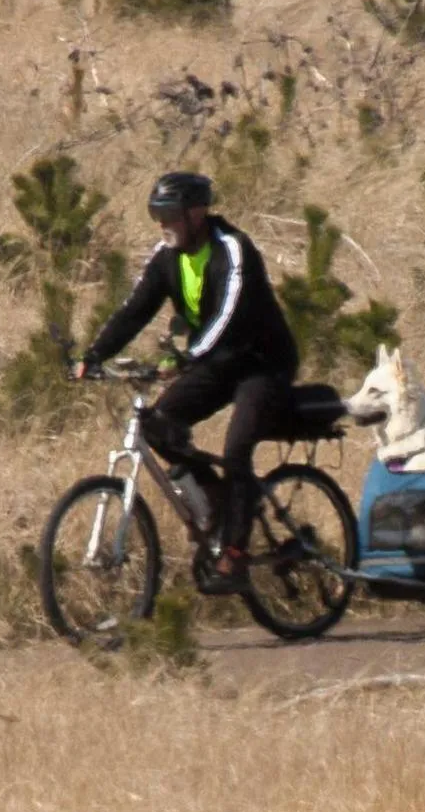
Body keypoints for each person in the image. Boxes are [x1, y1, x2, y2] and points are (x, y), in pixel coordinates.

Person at [72, 171, 300, 595]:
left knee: (236, 449)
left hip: (261, 363)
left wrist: (190, 356)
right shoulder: (165, 256)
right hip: (216, 362)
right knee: (158, 423)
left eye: (170, 214)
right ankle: (215, 501)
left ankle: (235, 552)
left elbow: (228, 316)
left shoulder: (233, 249)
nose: (163, 224)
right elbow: (134, 310)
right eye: (156, 214)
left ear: (198, 213)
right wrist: (94, 355)